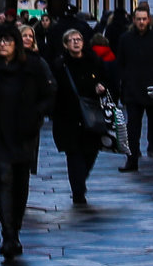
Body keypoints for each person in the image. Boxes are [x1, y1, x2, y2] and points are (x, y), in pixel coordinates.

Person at [0, 28, 53, 259]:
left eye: (8, 40)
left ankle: (16, 227)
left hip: (24, 132)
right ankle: (8, 233)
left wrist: (35, 115)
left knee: (20, 181)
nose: (3, 44)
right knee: (4, 178)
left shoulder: (33, 66)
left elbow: (50, 93)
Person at [47, 26, 110, 206]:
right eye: (72, 40)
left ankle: (80, 181)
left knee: (91, 152)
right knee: (73, 154)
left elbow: (107, 79)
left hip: (91, 114)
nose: (76, 42)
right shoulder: (60, 64)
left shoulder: (93, 61)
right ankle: (78, 191)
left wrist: (101, 86)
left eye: (79, 39)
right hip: (68, 115)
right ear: (65, 45)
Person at [110, 6, 153, 171]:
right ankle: (132, 160)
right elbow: (120, 63)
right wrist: (125, 79)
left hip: (152, 89)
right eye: (139, 19)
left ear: (149, 20)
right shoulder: (126, 39)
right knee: (132, 128)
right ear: (134, 20)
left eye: (144, 19)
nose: (142, 22)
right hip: (133, 89)